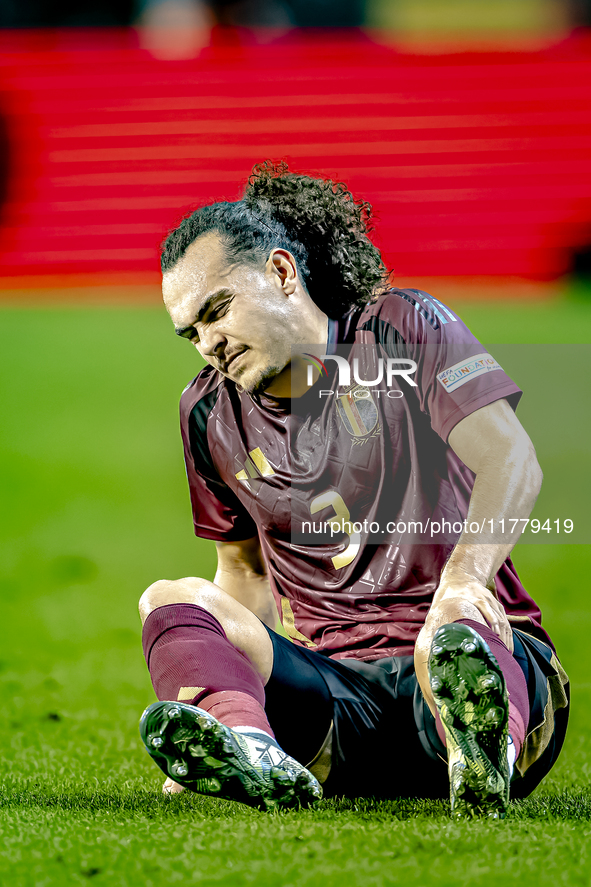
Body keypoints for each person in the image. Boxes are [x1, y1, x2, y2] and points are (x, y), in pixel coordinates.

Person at [138, 160, 569, 818]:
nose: (208, 344)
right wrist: (217, 693)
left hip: (465, 651)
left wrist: (464, 578)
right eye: (191, 332)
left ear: (281, 273)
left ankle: (481, 747)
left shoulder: (400, 326)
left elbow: (510, 457)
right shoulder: (206, 413)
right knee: (168, 600)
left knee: (451, 637)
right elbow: (242, 574)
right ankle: (251, 749)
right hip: (336, 699)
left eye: (216, 311)